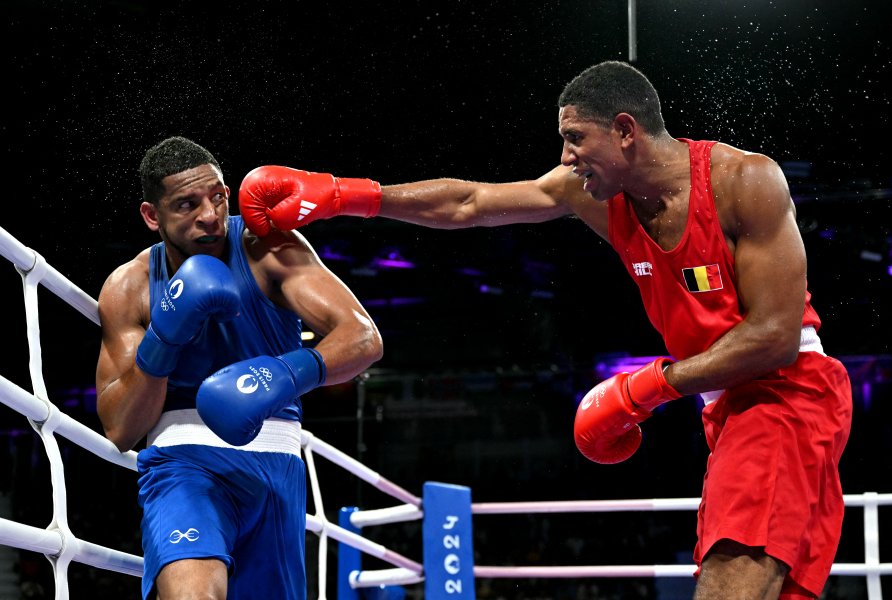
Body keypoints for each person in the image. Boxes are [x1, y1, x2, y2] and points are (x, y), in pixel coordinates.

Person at [237, 62, 853, 599]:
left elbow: (774, 335)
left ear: (625, 130)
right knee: (776, 584)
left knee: (733, 566)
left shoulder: (742, 181)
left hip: (784, 390)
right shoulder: (593, 193)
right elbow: (469, 204)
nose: (565, 157)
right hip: (727, 405)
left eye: (575, 138)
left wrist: (646, 389)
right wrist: (347, 196)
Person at [95, 136, 383, 599]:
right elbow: (120, 428)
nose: (209, 215)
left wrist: (283, 373)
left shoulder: (265, 247)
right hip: (182, 465)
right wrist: (164, 339)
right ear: (153, 216)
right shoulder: (129, 287)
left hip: (277, 465)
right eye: (186, 204)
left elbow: (363, 338)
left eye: (217, 196)